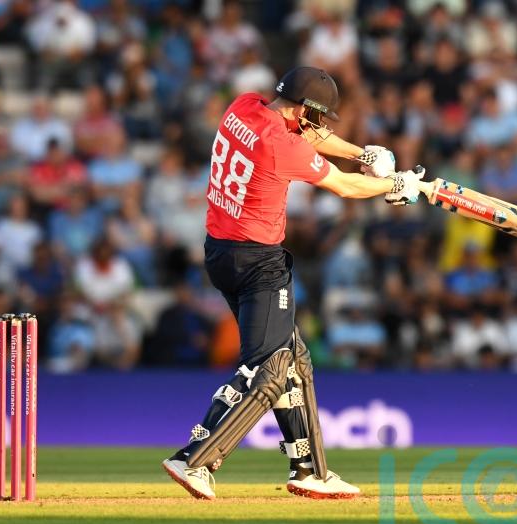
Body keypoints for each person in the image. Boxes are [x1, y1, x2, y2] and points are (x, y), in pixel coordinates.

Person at [161, 66, 422, 500]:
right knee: (268, 368)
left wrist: (363, 154)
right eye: (317, 116)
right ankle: (195, 458)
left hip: (220, 252)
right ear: (304, 108)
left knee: (294, 360)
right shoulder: (280, 146)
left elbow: (308, 134)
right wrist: (395, 184)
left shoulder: (243, 106)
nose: (319, 127)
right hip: (259, 261)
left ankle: (309, 469)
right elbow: (341, 187)